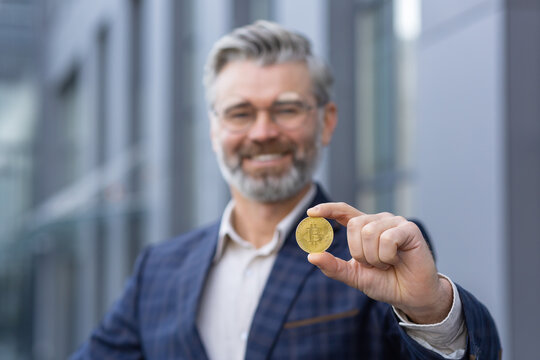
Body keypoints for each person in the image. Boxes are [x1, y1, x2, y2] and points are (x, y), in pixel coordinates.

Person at [71, 20, 501, 359]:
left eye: (287, 108)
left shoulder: (373, 254)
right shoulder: (158, 270)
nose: (262, 132)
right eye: (240, 112)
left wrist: (431, 311)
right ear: (215, 128)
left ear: (326, 121)